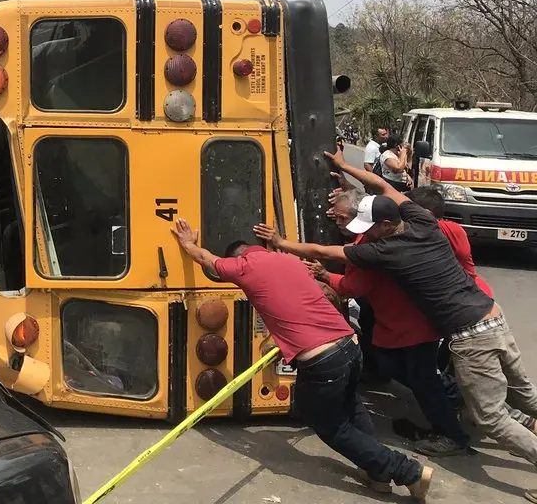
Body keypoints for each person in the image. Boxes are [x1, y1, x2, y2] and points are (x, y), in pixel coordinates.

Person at [264, 147, 537, 503]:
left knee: (490, 418)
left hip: (471, 335)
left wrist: (282, 243)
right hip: (493, 315)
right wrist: (345, 167)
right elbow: (382, 184)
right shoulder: (421, 220)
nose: (365, 234)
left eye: (369, 228)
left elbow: (325, 253)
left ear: (387, 225)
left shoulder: (385, 251)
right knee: (525, 395)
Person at [170, 218, 432, 498]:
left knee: (329, 424)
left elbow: (207, 260)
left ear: (238, 257)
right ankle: (377, 473)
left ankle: (408, 472)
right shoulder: (289, 261)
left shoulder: (244, 266)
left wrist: (188, 243)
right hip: (350, 345)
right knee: (351, 406)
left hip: (322, 359)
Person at [305, 193, 472, 456]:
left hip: (413, 325)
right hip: (409, 321)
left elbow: (354, 286)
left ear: (382, 224)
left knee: (421, 379)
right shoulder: (383, 238)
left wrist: (324, 274)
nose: (339, 222)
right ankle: (454, 397)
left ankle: (453, 432)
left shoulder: (373, 248)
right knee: (405, 370)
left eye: (343, 217)